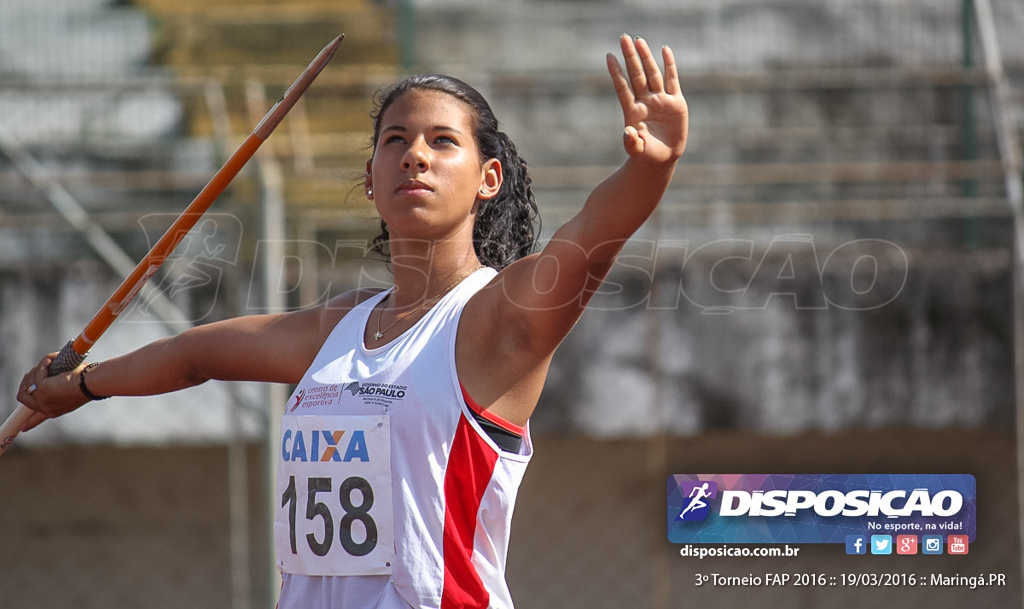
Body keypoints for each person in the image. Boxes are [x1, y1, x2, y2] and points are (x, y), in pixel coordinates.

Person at [17, 34, 689, 609]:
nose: (415, 154)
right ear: (371, 177)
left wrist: (649, 167)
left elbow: (593, 237)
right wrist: (79, 386)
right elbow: (195, 354)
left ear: (488, 178)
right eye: (395, 139)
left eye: (441, 141)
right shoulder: (339, 328)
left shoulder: (497, 319)